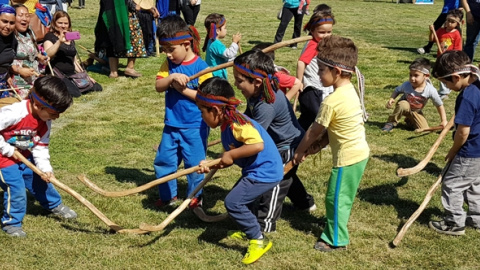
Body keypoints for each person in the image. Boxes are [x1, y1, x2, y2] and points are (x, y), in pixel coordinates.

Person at [293, 35, 369, 252]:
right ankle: (336, 228)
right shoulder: (347, 91)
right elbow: (338, 127)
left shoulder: (331, 100)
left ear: (336, 72)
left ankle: (336, 240)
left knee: (335, 199)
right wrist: (320, 145)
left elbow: (313, 131)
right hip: (358, 154)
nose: (317, 75)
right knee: (340, 197)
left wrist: (300, 151)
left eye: (320, 71)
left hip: (349, 158)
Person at [195, 77, 283, 264]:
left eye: (202, 112)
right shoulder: (227, 122)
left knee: (234, 202)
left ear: (216, 110)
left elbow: (257, 145)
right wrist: (213, 163)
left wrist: (232, 155)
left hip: (265, 172)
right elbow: (228, 157)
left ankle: (258, 240)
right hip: (255, 170)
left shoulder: (238, 124)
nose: (201, 116)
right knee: (243, 199)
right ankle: (249, 230)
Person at [233, 50, 314, 233]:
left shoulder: (266, 104)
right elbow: (249, 116)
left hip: (286, 146)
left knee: (273, 184)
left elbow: (254, 135)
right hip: (278, 142)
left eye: (239, 81)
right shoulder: (256, 94)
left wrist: (234, 147)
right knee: (286, 176)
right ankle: (305, 203)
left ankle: (264, 225)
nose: (237, 85)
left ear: (257, 81)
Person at [0, 76, 77, 237]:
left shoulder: (45, 121)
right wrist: (6, 149)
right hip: (4, 159)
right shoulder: (14, 113)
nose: (56, 118)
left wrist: (45, 169)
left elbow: (40, 147)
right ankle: (12, 223)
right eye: (54, 113)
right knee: (16, 189)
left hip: (25, 155)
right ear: (38, 105)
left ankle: (53, 204)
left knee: (39, 180)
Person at [154, 15, 211, 208]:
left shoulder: (201, 67)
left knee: (195, 165)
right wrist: (171, 79)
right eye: (164, 50)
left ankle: (195, 197)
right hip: (171, 124)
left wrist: (183, 90)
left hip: (195, 126)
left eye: (171, 50)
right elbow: (158, 86)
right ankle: (168, 196)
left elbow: (206, 98)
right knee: (164, 161)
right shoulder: (169, 66)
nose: (168, 54)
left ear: (186, 44)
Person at [429, 50, 480, 236]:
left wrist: (453, 150)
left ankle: (454, 222)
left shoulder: (467, 97)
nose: (447, 87)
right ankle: (477, 217)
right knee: (474, 184)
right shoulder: (478, 87)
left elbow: (463, 132)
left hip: (468, 151)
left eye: (446, 83)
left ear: (457, 77)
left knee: (452, 184)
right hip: (479, 151)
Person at [43, 11, 102, 97]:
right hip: (58, 75)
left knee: (97, 87)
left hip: (71, 74)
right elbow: (47, 54)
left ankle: (73, 85)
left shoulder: (70, 39)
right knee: (75, 93)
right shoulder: (49, 37)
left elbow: (74, 61)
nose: (63, 26)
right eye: (60, 23)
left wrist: (86, 77)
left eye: (66, 23)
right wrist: (59, 42)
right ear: (54, 23)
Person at [381, 58, 447, 132]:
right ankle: (391, 122)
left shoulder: (430, 90)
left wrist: (444, 120)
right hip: (404, 107)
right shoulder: (407, 85)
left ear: (426, 76)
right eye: (410, 75)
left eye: (416, 75)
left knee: (423, 128)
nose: (412, 78)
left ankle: (410, 120)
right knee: (402, 104)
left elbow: (439, 105)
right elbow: (397, 90)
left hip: (416, 111)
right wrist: (392, 98)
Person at [296, 5, 334, 131]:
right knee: (317, 114)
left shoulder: (324, 44)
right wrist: (299, 81)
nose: (326, 35)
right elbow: (301, 62)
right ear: (312, 31)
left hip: (322, 85)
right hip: (311, 86)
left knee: (308, 117)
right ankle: (316, 137)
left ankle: (297, 135)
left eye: (329, 32)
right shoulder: (313, 45)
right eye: (322, 32)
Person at [94, 0, 151, 78]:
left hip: (112, 12)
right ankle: (125, 69)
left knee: (113, 38)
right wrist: (133, 6)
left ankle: (115, 71)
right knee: (127, 38)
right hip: (121, 13)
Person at [11, 4, 49, 98]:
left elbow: (33, 52)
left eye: (27, 15)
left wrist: (40, 57)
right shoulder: (9, 35)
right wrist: (19, 70)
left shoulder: (29, 32)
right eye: (20, 15)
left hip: (34, 77)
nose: (25, 18)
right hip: (17, 81)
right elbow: (4, 62)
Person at [430, 9, 464, 99]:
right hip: (440, 57)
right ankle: (444, 90)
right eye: (448, 21)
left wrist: (453, 57)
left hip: (450, 58)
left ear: (457, 24)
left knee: (447, 74)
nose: (449, 23)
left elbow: (458, 49)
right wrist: (432, 31)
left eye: (452, 22)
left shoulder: (456, 34)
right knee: (439, 73)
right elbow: (432, 39)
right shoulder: (441, 31)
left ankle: (445, 91)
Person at [202, 13, 241, 80]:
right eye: (225, 28)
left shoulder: (211, 41)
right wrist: (234, 42)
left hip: (214, 75)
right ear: (217, 31)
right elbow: (229, 54)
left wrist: (237, 59)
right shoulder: (215, 44)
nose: (226, 30)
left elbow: (223, 58)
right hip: (217, 76)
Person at [0, 4, 17, 97]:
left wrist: (7, 75)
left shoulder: (13, 41)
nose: (8, 26)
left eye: (11, 23)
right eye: (4, 21)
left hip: (3, 84)